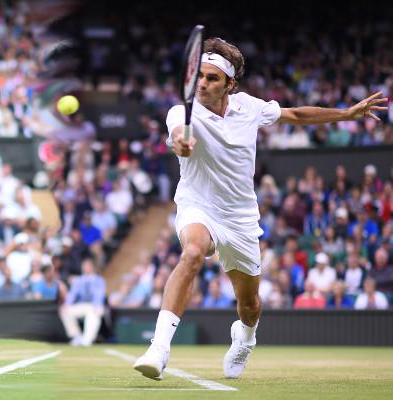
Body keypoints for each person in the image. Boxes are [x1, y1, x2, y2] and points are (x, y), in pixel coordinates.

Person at [133, 37, 388, 380]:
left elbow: (295, 114)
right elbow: (178, 132)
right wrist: (180, 142)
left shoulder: (249, 107)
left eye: (212, 78)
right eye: (201, 77)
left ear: (230, 84)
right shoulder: (181, 112)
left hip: (240, 217)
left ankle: (245, 338)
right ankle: (159, 348)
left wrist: (346, 113)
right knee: (192, 252)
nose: (204, 84)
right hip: (198, 205)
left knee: (250, 306)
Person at [58, 258, 106, 347]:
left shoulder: (99, 280)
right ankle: (76, 336)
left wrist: (96, 305)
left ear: (92, 267)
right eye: (84, 266)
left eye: (88, 266)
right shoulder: (79, 280)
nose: (86, 268)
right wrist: (67, 304)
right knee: (65, 311)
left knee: (94, 313)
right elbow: (73, 294)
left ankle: (87, 339)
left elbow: (99, 295)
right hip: (82, 305)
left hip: (95, 305)